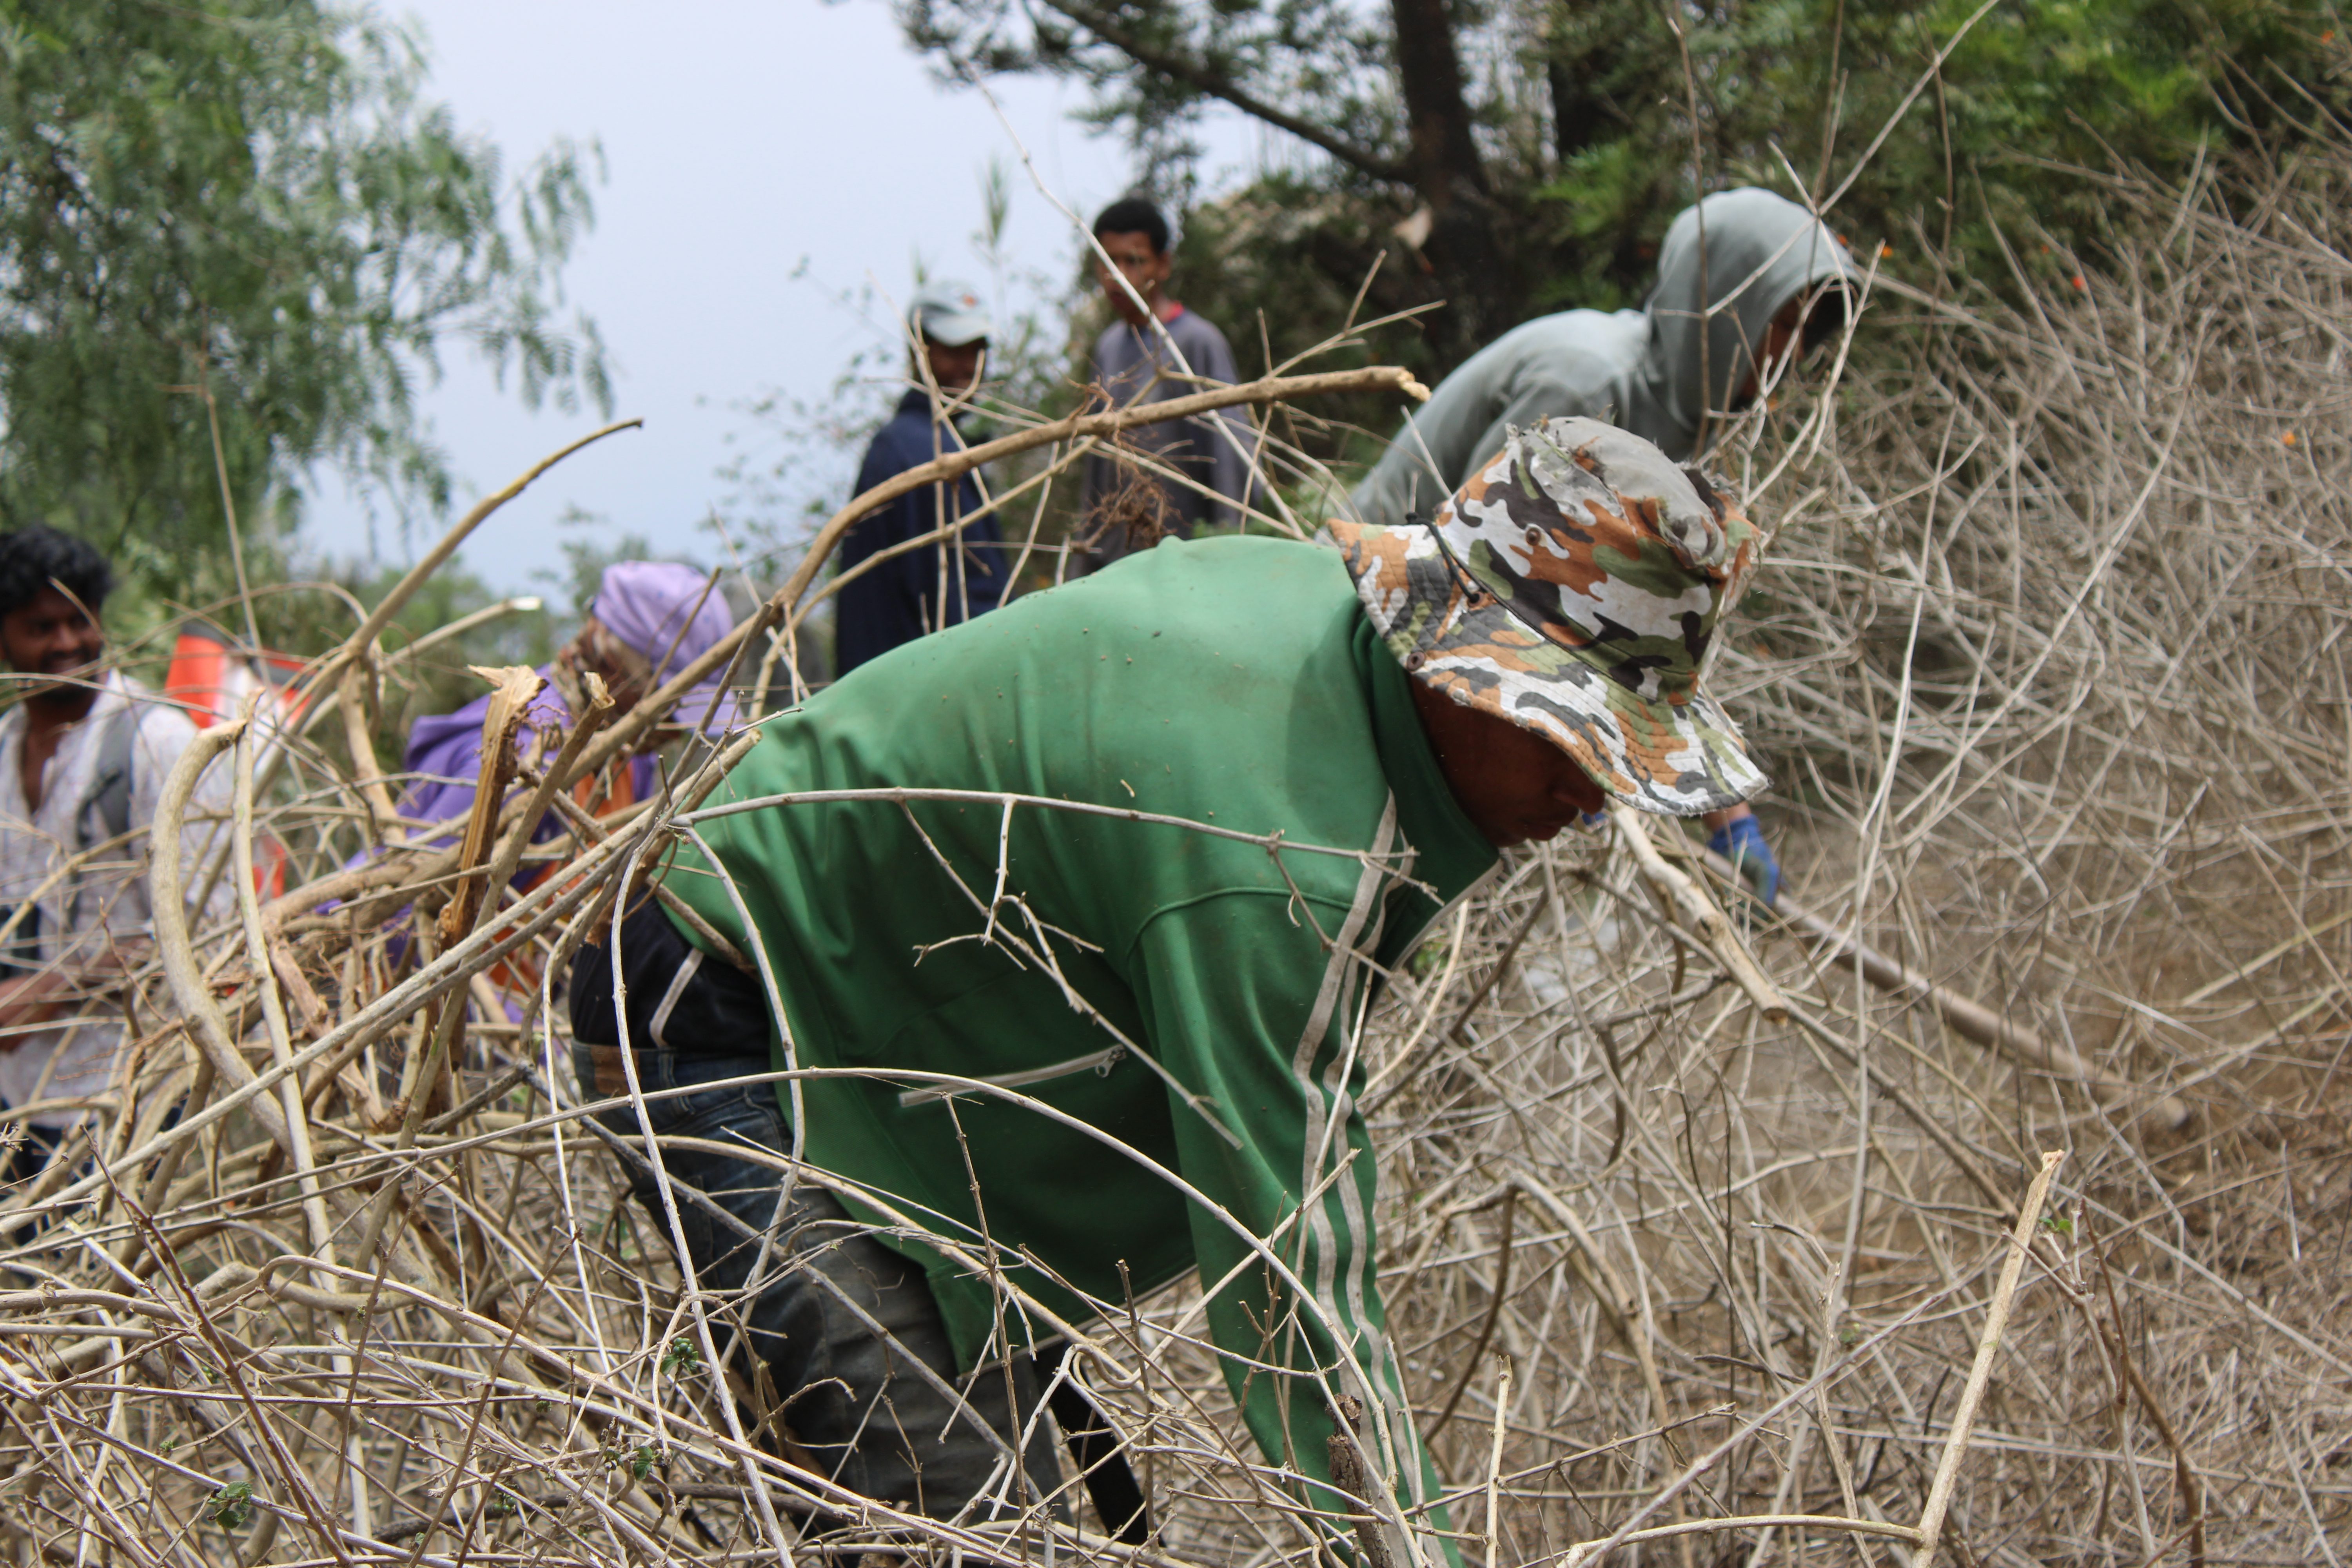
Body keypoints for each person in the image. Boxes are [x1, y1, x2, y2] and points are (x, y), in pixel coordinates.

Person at [568, 417, 1766, 1555]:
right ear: (1457, 670)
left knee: (997, 1500)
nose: (1593, 796)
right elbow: (1291, 1276)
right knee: (952, 1520)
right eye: (1574, 739)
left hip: (871, 1023)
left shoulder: (1322, 659)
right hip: (727, 992)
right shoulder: (1269, 852)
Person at [1350, 188, 1845, 904]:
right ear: (1715, 300)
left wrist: (1727, 818)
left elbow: (1634, 643)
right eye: (1781, 320)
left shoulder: (1679, 419)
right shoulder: (1590, 385)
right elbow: (1468, 591)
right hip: (1375, 644)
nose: (1789, 353)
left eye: (1807, 332)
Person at [0, 526, 232, 1183]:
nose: (67, 643)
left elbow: (209, 930)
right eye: (40, 627)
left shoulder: (157, 743)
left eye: (80, 620)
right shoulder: (2, 750)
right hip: (16, 1103)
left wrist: (48, 991)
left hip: (126, 1098)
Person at [390, 559, 739, 910]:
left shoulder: (628, 758)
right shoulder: (522, 756)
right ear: (610, 653)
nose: (675, 728)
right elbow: (402, 907)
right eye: (668, 700)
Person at [835, 282, 1011, 676]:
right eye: (953, 350)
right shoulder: (923, 454)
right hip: (919, 691)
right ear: (919, 351)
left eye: (977, 351)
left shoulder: (917, 443)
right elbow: (963, 599)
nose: (968, 367)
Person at [1077, 196, 1254, 569]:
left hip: (1187, 558)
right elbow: (1096, 465)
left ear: (1164, 264)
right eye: (1108, 262)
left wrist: (1228, 549)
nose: (1118, 275)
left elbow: (1231, 456)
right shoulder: (1108, 347)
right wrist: (1087, 557)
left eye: (1134, 261)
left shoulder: (1196, 342)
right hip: (1122, 562)